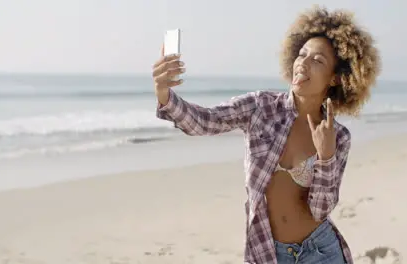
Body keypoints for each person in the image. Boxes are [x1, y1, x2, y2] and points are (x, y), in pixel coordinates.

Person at [152, 5, 380, 264]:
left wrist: (326, 157)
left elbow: (320, 210)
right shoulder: (260, 107)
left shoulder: (338, 136)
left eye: (317, 60)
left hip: (321, 252)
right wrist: (165, 96)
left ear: (335, 79)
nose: (303, 64)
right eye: (301, 54)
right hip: (270, 253)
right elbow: (204, 122)